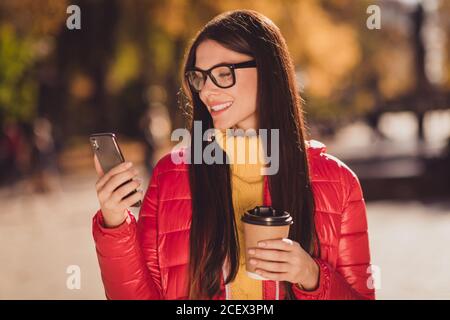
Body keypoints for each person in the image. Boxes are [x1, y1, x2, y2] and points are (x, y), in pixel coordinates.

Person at [92, 10, 375, 300]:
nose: (207, 91)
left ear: (267, 71)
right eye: (199, 78)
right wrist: (115, 224)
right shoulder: (171, 174)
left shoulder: (338, 183)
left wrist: (311, 276)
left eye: (224, 74)